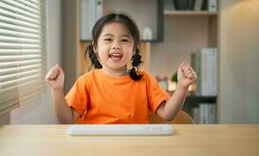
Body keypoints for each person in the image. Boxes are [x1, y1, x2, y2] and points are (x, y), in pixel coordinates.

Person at [45, 13, 197, 124]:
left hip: (135, 148)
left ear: (134, 49)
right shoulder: (86, 81)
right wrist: (57, 90)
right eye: (108, 39)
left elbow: (168, 114)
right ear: (96, 47)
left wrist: (183, 87)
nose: (116, 45)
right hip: (96, 148)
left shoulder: (145, 80)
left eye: (124, 40)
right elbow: (66, 119)